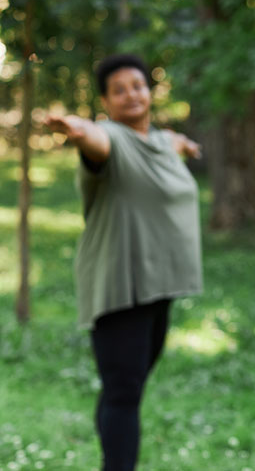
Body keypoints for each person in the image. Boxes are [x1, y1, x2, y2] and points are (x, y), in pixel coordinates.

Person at [44, 54, 203, 471]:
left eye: (137, 85)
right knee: (123, 393)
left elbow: (171, 142)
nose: (130, 94)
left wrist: (184, 143)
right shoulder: (108, 138)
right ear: (106, 102)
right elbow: (97, 143)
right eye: (119, 90)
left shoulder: (161, 140)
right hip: (120, 283)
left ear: (150, 92)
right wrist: (77, 131)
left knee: (123, 388)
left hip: (157, 283)